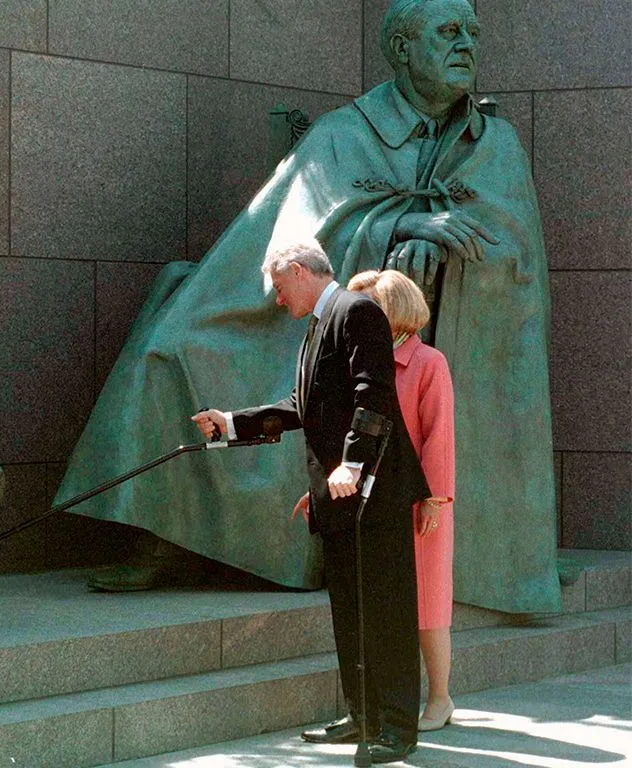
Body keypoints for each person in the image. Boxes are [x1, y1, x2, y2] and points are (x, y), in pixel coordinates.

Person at [57, 0, 560, 616]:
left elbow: (514, 255)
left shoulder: (493, 142)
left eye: (473, 34)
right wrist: (398, 225)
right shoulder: (340, 134)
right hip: (300, 314)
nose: (467, 46)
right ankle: (171, 531)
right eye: (449, 32)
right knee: (176, 343)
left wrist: (435, 251)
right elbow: (290, 242)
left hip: (412, 337)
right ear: (401, 48)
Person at [193, 242, 430, 763]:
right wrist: (233, 424)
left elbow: (374, 392)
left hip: (371, 492)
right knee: (350, 610)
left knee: (384, 610)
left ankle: (395, 730)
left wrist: (353, 461)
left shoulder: (357, 311)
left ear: (298, 270)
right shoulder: (318, 327)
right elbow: (304, 406)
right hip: (340, 497)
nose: (278, 299)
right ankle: (362, 716)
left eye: (279, 286)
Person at [346, 269, 456, 731]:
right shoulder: (364, 363)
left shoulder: (429, 362)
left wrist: (434, 498)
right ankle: (392, 702)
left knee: (427, 606)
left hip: (421, 503)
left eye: (368, 307)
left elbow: (439, 436)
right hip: (374, 498)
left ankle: (440, 699)